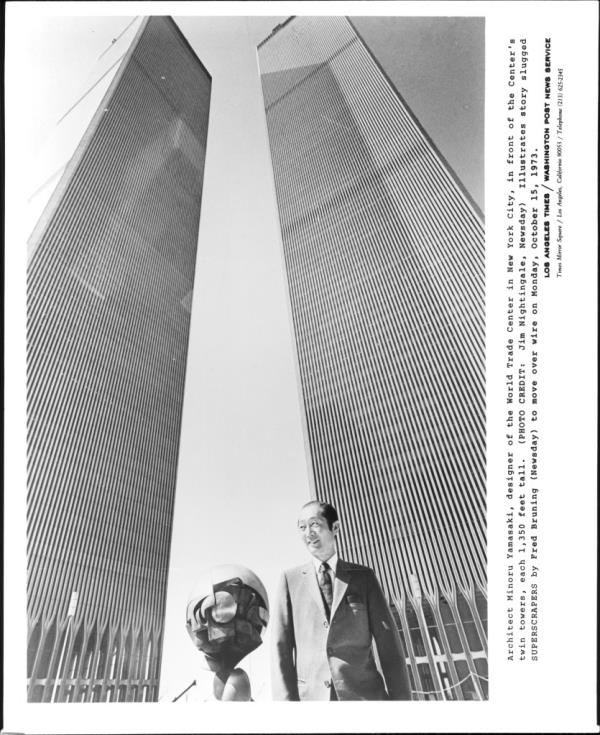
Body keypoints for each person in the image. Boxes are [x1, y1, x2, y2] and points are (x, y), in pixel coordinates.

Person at [271, 500, 411, 701]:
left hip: (365, 699)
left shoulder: (364, 578)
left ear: (335, 527)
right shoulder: (289, 581)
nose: (308, 532)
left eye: (315, 524)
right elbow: (280, 651)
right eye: (302, 527)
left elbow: (389, 647)